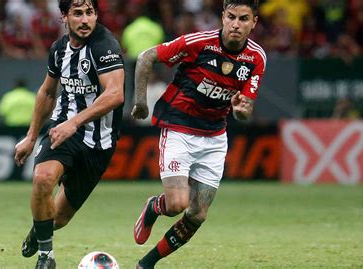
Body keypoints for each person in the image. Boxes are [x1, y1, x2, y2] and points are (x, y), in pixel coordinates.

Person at [131, 0, 266, 268]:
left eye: (243, 19)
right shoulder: (199, 43)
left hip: (215, 136)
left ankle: (147, 263)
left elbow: (243, 111)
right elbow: (147, 57)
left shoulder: (256, 58)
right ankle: (155, 206)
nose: (236, 25)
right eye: (231, 17)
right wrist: (141, 102)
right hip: (179, 126)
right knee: (177, 203)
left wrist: (240, 110)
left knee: (198, 214)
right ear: (223, 17)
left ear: (254, 22)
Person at [13, 0, 125, 268]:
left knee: (58, 219)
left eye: (90, 13)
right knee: (42, 179)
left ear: (96, 15)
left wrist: (75, 122)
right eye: (78, 13)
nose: (85, 20)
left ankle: (39, 231)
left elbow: (115, 94)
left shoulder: (104, 46)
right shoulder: (59, 49)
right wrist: (30, 136)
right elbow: (48, 92)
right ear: (64, 17)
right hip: (61, 130)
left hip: (98, 142)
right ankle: (46, 257)